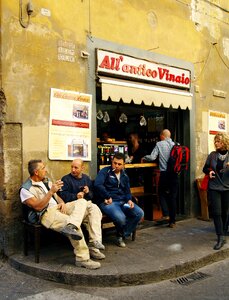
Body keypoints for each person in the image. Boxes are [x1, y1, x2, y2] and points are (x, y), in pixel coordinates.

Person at [20, 159, 104, 270]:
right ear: (36, 172)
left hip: (59, 208)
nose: (45, 170)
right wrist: (51, 192)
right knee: (73, 224)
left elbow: (57, 197)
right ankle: (82, 259)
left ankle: (94, 243)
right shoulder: (26, 189)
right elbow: (38, 207)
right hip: (46, 214)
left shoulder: (46, 181)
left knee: (90, 205)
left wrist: (61, 202)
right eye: (43, 168)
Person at [94, 152, 144, 247]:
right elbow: (97, 185)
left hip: (123, 202)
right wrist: (107, 196)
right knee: (121, 218)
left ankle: (122, 234)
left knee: (139, 213)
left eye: (119, 164)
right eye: (114, 163)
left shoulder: (124, 175)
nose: (116, 165)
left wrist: (129, 200)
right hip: (109, 202)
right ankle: (121, 234)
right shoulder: (105, 171)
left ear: (123, 165)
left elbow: (127, 190)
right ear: (112, 162)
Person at [58, 159, 105, 260]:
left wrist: (88, 192)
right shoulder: (66, 179)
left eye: (76, 167)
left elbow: (92, 196)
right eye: (72, 167)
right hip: (72, 209)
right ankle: (93, 244)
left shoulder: (86, 179)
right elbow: (63, 195)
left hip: (85, 208)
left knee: (95, 209)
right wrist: (76, 196)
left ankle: (94, 243)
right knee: (87, 205)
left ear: (82, 168)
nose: (73, 170)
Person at [142, 129, 178, 228]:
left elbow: (153, 157)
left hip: (164, 173)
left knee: (161, 193)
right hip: (174, 174)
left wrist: (144, 157)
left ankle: (166, 214)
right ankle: (173, 221)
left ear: (162, 136)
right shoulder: (176, 144)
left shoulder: (159, 144)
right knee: (173, 197)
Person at [202, 132, 229, 250]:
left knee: (225, 212)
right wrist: (209, 171)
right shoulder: (212, 155)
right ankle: (220, 237)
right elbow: (205, 167)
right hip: (214, 187)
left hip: (227, 188)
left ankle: (223, 230)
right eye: (215, 141)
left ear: (224, 142)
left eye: (218, 141)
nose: (216, 143)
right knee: (216, 212)